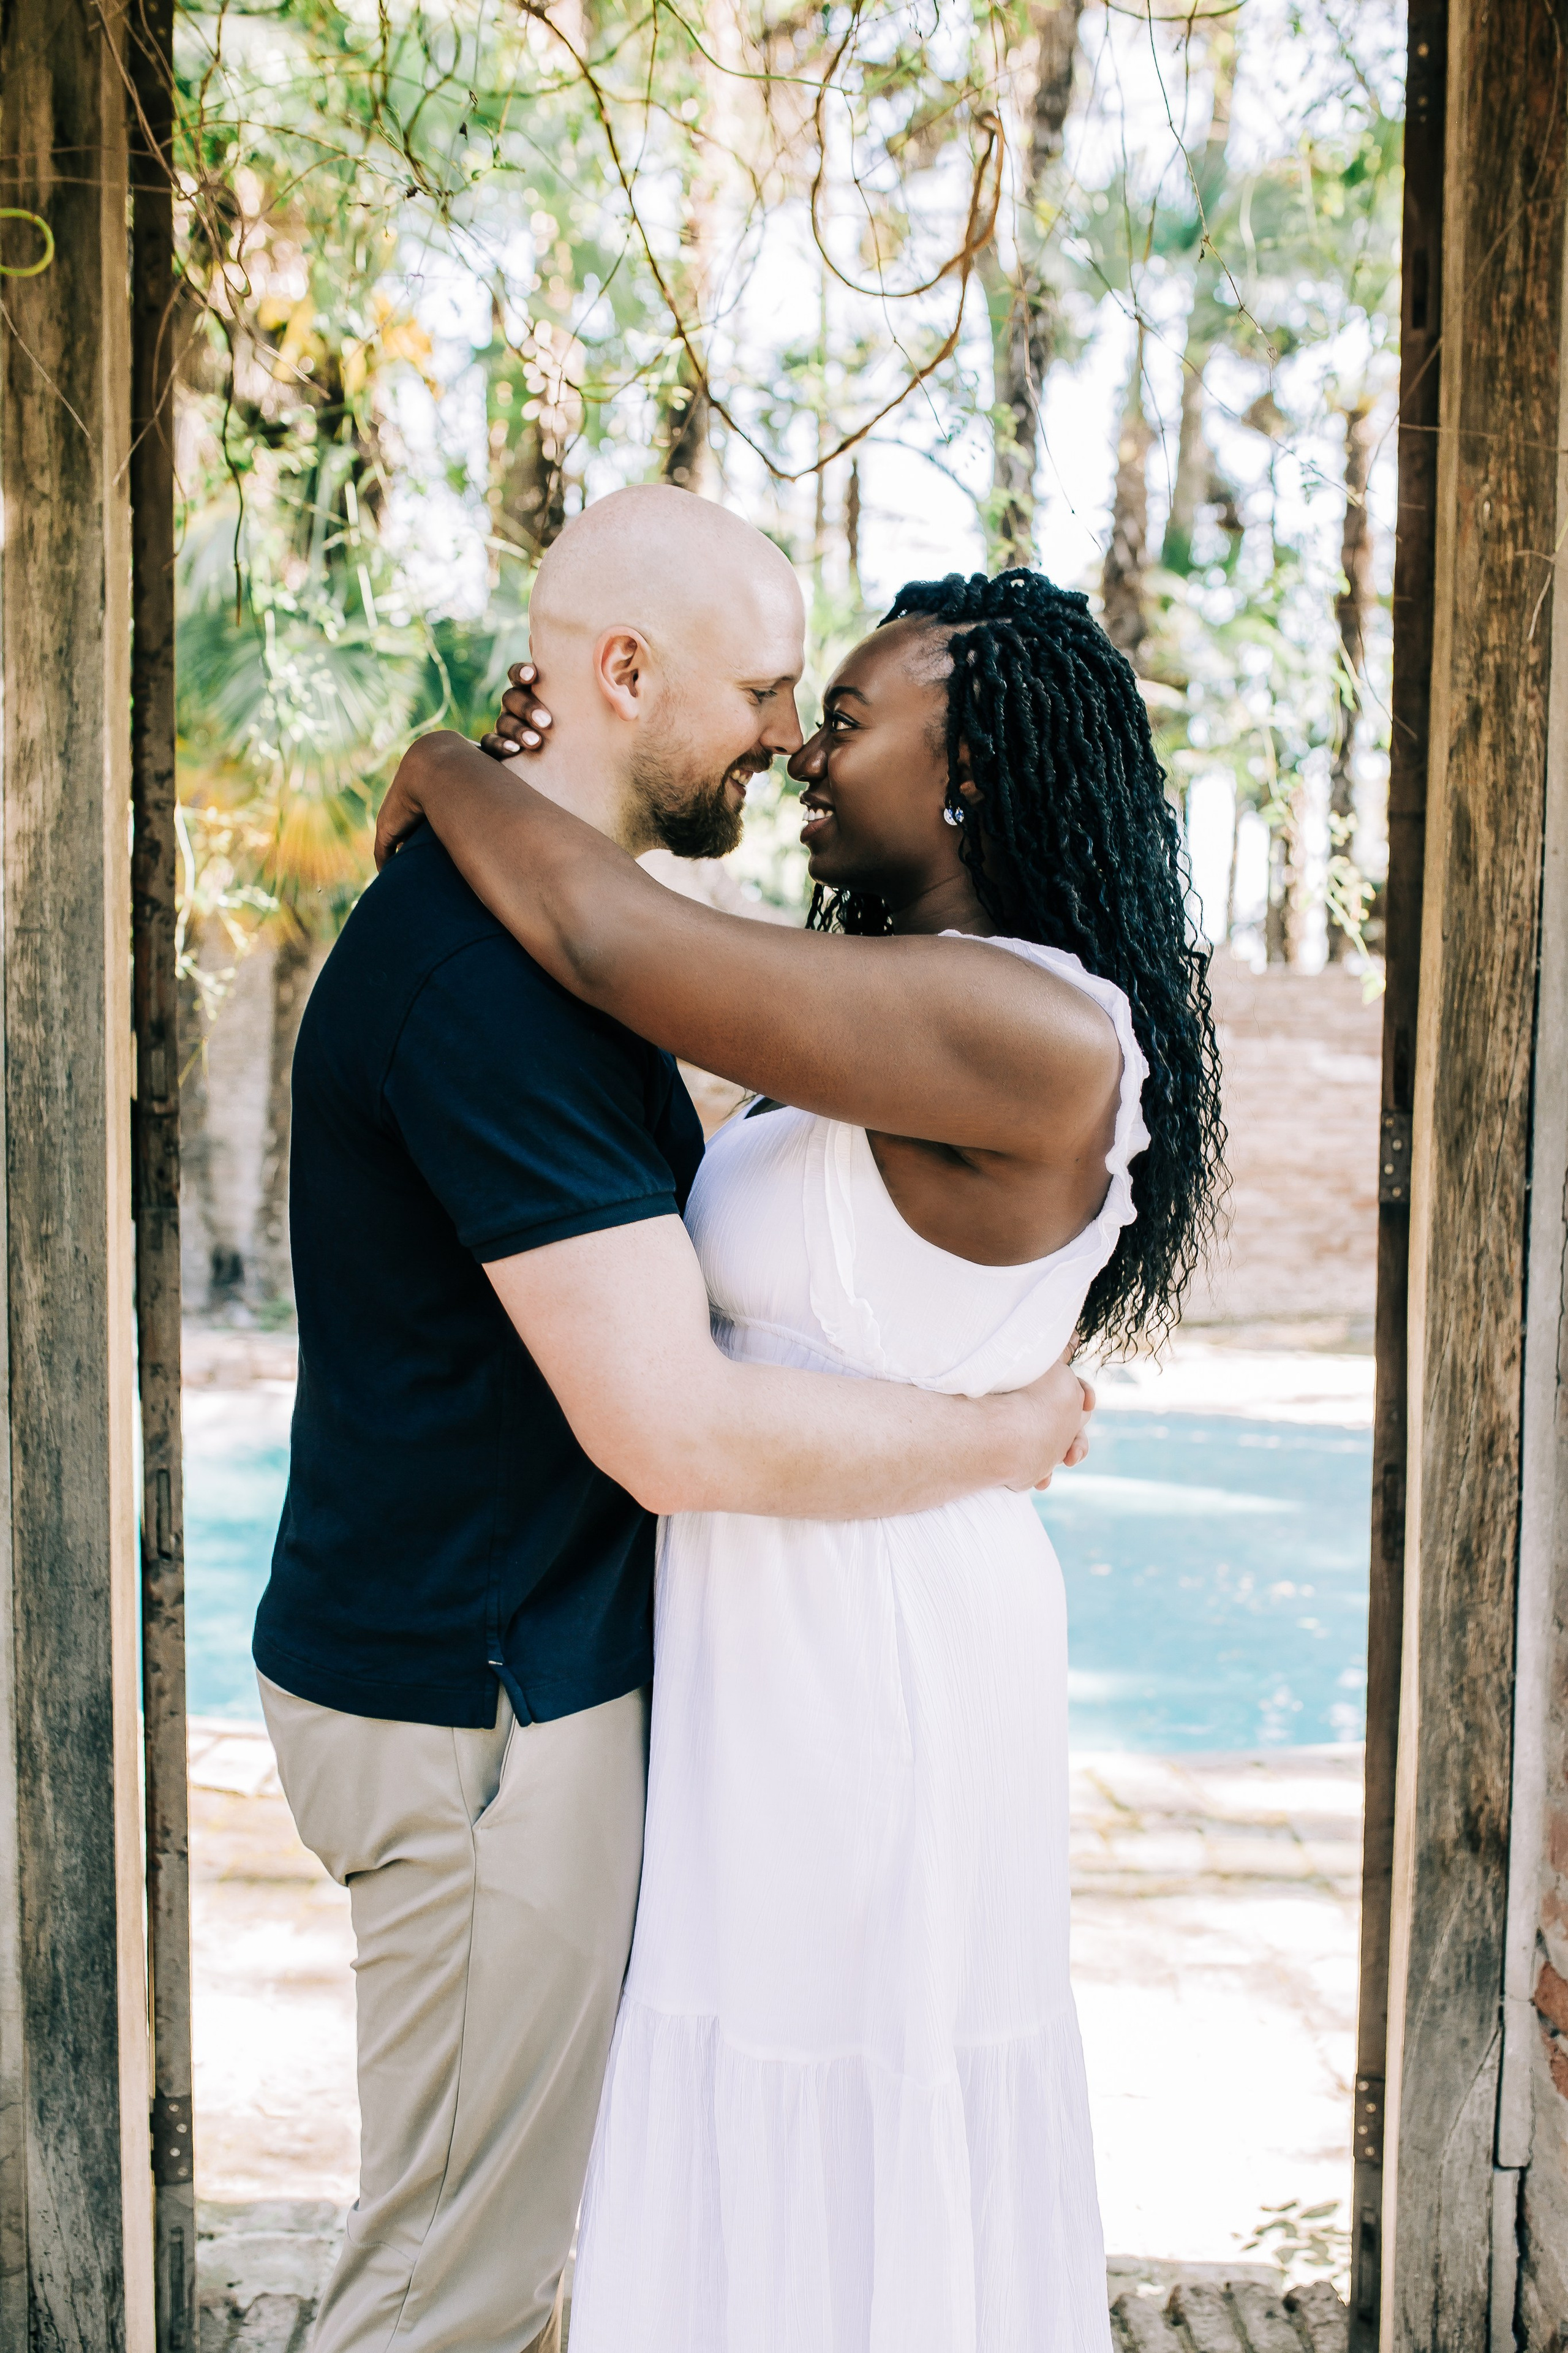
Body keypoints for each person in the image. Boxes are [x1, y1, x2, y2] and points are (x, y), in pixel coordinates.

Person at [252, 486, 1095, 2353]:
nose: (787, 736)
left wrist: (445, 766)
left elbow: (627, 953)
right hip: (482, 1703)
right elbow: (675, 1430)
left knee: (527, 2250)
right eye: (772, 689)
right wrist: (1005, 1434)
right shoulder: (493, 980)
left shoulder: (556, 949)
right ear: (624, 672)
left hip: (534, 1675)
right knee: (444, 2292)